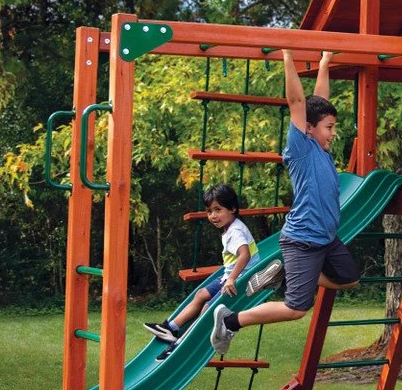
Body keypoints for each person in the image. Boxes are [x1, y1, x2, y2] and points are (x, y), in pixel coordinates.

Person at [210, 50, 356, 355]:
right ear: (309, 129)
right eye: (329, 127)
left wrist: (325, 63)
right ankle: (231, 321)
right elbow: (299, 103)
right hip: (303, 240)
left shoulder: (320, 147)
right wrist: (288, 55)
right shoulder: (301, 149)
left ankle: (288, 272)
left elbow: (318, 103)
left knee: (350, 277)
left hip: (325, 239)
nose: (334, 132)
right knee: (296, 309)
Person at [144, 183, 255, 352]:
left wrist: (232, 279)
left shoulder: (235, 231)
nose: (213, 216)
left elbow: (245, 254)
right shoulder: (230, 228)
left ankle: (186, 339)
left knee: (207, 308)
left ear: (232, 208)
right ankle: (171, 327)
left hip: (240, 280)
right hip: (230, 276)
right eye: (209, 211)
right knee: (201, 294)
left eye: (218, 210)